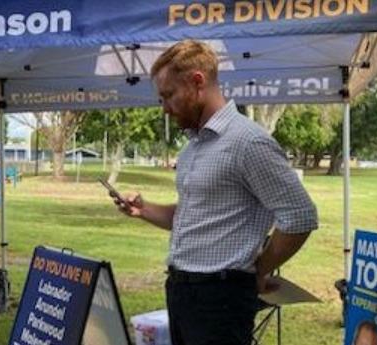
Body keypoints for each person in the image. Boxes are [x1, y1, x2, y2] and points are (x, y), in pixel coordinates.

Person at [115, 40, 318, 345]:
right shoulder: (193, 147)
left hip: (221, 298)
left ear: (197, 82)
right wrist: (143, 210)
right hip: (181, 290)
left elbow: (300, 215)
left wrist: (258, 270)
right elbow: (192, 214)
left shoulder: (248, 142)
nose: (165, 109)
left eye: (169, 95)